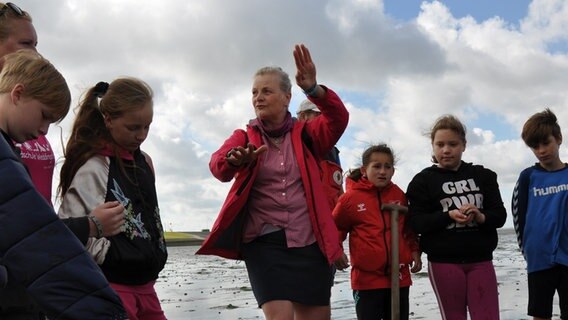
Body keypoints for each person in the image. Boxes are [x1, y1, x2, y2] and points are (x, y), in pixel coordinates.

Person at [197, 44, 349, 320]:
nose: (258, 98)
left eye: (266, 91)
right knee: (279, 317)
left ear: (287, 97)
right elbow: (217, 166)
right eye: (254, 92)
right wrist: (234, 160)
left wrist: (314, 89)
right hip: (264, 244)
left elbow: (338, 119)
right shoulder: (244, 137)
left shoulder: (307, 135)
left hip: (310, 242)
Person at [0, 49, 126, 319]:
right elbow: (31, 236)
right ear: (18, 94)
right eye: (44, 115)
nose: (45, 129)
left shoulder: (12, 153)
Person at [0, 2, 124, 244]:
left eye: (36, 45)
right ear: (17, 94)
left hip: (36, 250)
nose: (36, 53)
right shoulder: (20, 114)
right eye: (26, 44)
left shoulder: (28, 116)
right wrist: (88, 225)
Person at [58, 77, 168, 320]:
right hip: (112, 285)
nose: (141, 135)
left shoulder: (145, 163)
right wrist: (111, 255)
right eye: (133, 127)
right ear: (108, 119)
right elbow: (70, 230)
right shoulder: (94, 166)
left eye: (147, 127)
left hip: (147, 287)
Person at [406, 114, 507, 320]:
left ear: (464, 145)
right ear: (433, 147)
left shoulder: (483, 175)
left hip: (481, 260)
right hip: (443, 262)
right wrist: (448, 216)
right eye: (440, 144)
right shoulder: (422, 181)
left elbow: (499, 215)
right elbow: (417, 222)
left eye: (452, 144)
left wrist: (480, 216)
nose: (446, 150)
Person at [332, 144, 421, 320]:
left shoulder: (399, 195)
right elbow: (336, 228)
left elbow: (407, 229)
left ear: (393, 171)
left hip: (399, 277)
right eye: (377, 166)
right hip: (367, 280)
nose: (382, 171)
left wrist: (414, 251)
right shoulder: (350, 199)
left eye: (387, 167)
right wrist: (336, 251)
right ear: (364, 170)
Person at [512, 108, 568, 320]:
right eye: (535, 146)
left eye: (546, 143)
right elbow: (518, 215)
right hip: (539, 259)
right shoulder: (528, 177)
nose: (542, 150)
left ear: (559, 139)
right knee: (540, 314)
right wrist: (527, 249)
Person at [297, 99, 344, 210]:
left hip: (330, 217)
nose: (325, 121)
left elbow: (339, 188)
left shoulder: (334, 151)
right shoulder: (291, 143)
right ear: (303, 116)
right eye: (319, 115)